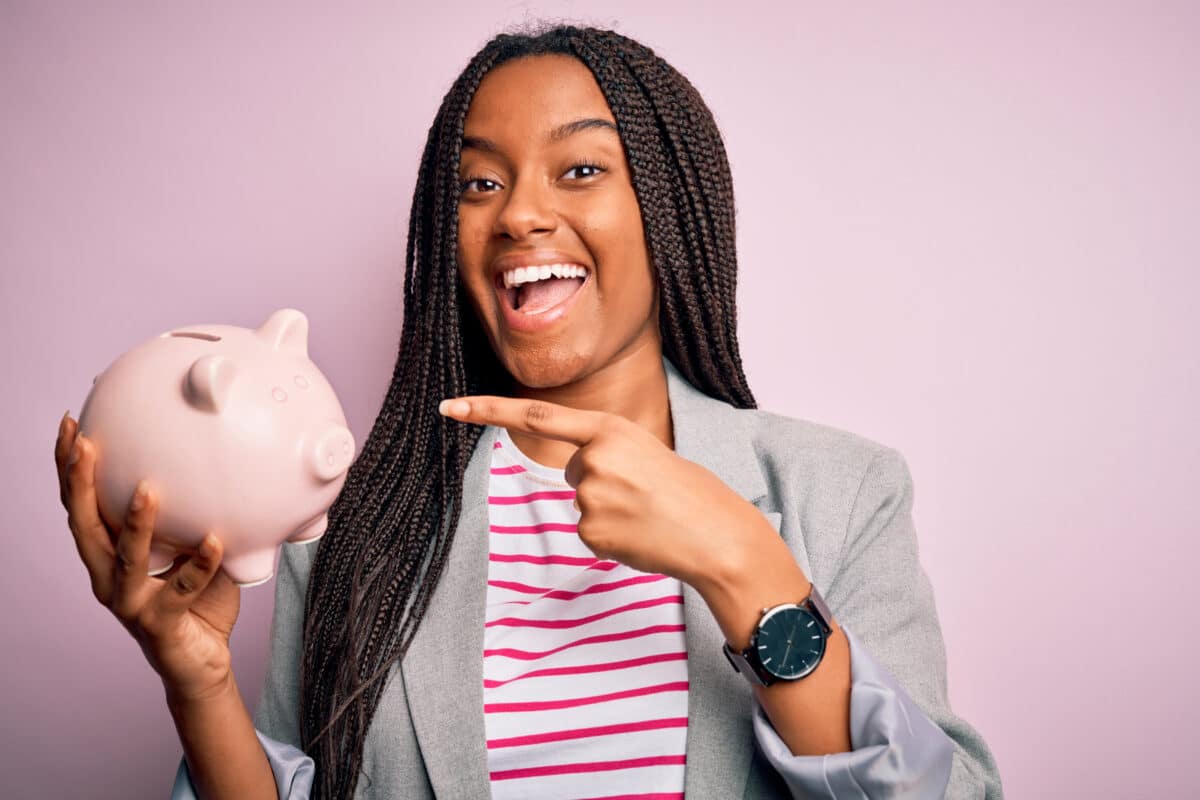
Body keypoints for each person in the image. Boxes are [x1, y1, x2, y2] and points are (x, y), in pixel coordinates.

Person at [54, 23, 1003, 799]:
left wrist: (745, 567)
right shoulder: (347, 520)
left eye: (580, 170)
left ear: (669, 209)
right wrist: (201, 682)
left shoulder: (844, 491)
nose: (517, 216)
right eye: (479, 182)